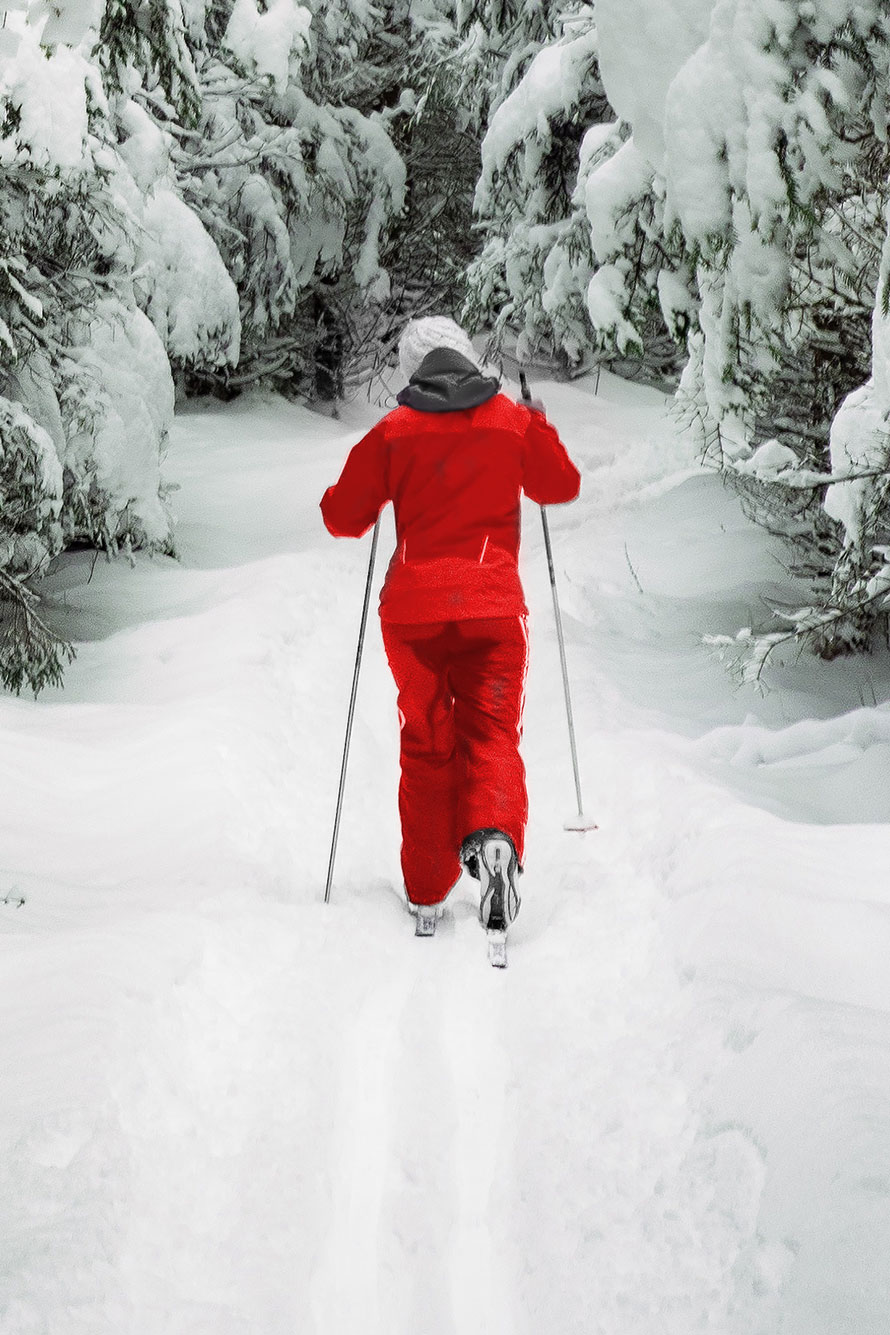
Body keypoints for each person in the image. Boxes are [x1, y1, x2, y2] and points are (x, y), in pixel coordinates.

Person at [320, 316, 581, 936]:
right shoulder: (511, 421)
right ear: (466, 358)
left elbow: (342, 518)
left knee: (428, 742)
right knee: (491, 735)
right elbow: (559, 485)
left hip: (413, 619)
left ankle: (428, 892)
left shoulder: (394, 430)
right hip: (492, 610)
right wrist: (539, 422)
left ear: (414, 371)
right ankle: (495, 842)